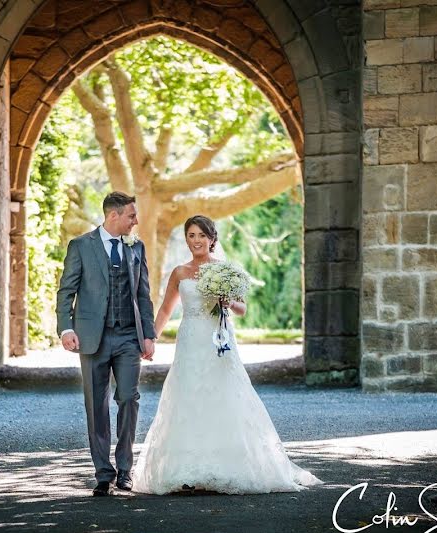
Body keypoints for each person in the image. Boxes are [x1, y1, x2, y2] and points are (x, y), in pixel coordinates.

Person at [130, 215, 323, 495]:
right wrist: (151, 339)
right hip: (190, 340)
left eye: (201, 235)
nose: (196, 241)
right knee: (187, 395)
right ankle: (184, 469)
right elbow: (165, 310)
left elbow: (243, 309)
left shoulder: (226, 271)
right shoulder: (180, 272)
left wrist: (228, 301)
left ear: (211, 238)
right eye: (191, 235)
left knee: (223, 394)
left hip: (217, 341)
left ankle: (226, 465)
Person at [56, 191, 157, 497]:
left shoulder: (136, 246)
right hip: (92, 337)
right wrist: (65, 329)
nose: (136, 221)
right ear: (113, 216)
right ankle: (103, 473)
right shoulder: (81, 246)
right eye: (131, 215)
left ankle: (125, 469)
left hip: (128, 336)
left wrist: (148, 335)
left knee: (128, 398)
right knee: (96, 406)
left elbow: (143, 294)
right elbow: (66, 291)